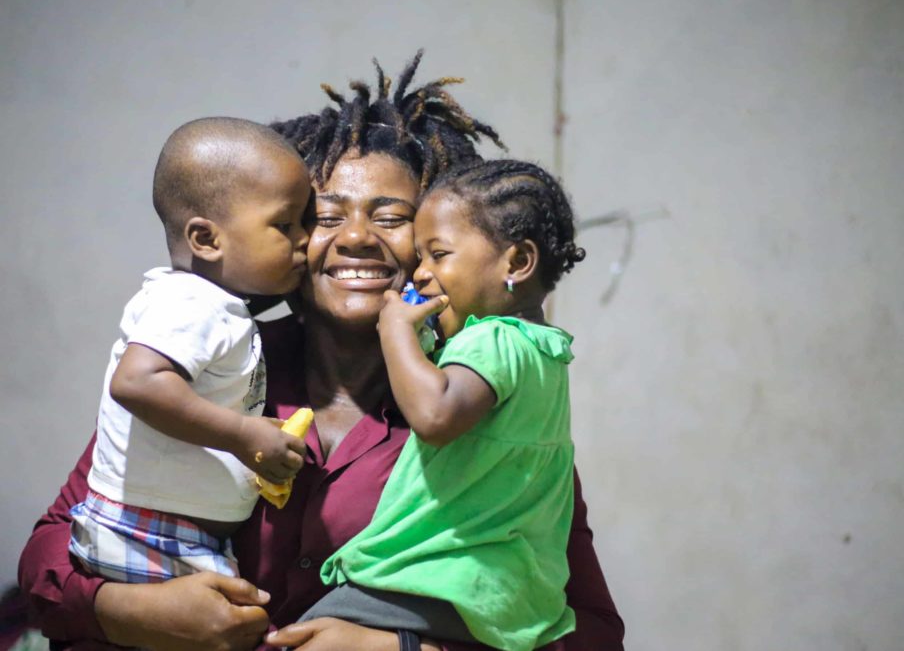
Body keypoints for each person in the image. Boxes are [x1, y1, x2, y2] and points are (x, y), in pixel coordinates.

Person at [19, 52, 624, 651]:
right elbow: (52, 546)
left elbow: (590, 631)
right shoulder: (205, 367)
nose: (356, 238)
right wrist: (126, 611)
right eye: (324, 217)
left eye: (393, 217)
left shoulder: (484, 396)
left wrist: (402, 650)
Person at [300, 158, 585, 651]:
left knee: (308, 632)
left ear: (516, 263)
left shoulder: (494, 339)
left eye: (438, 255)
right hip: (499, 593)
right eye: (421, 258)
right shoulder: (544, 352)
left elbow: (434, 416)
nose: (422, 274)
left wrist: (395, 334)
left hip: (443, 581)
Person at [68, 117, 311, 585]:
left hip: (173, 534)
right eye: (285, 224)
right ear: (206, 239)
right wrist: (244, 434)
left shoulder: (219, 306)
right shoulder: (191, 301)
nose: (303, 239)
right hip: (148, 534)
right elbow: (137, 382)